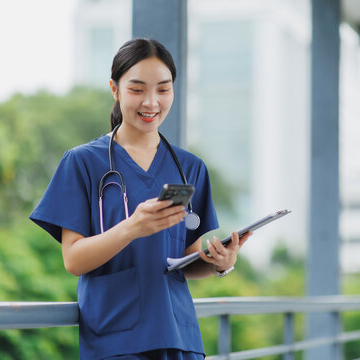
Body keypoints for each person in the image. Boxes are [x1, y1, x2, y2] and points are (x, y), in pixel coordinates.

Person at [30, 38, 252, 360]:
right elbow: (74, 260)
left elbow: (184, 261)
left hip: (179, 336)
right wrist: (132, 227)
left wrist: (220, 263)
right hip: (115, 340)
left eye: (163, 89)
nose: (151, 102)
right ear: (115, 89)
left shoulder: (189, 167)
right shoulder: (82, 163)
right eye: (137, 89)